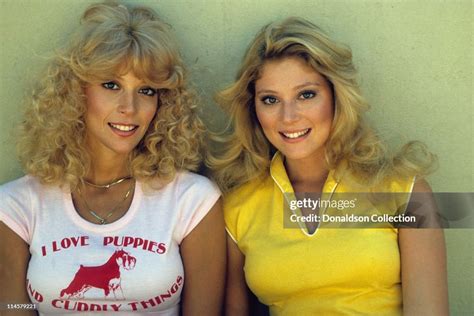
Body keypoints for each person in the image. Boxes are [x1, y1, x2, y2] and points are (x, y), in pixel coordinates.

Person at [210, 17, 448, 315]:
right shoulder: (237, 207)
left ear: (337, 95)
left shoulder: (406, 191)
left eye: (306, 95)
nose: (288, 117)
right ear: (253, 108)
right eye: (270, 99)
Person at [0, 2, 225, 315]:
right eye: (111, 85)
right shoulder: (15, 206)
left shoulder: (192, 201)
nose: (129, 107)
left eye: (146, 90)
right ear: (76, 92)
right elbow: (12, 304)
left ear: (163, 102)